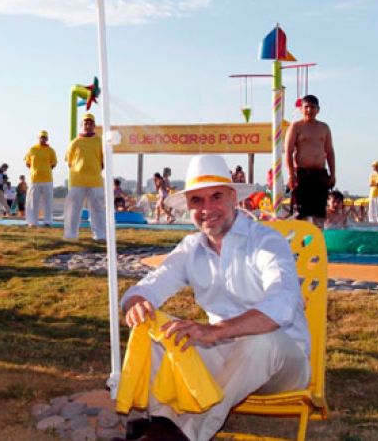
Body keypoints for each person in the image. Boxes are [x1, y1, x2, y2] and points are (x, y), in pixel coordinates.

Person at [120, 155, 310, 441]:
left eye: (216, 196)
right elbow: (147, 287)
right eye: (197, 201)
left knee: (261, 341)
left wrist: (215, 330)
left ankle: (182, 435)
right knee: (157, 330)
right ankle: (161, 421)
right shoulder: (191, 248)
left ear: (234, 198)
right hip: (223, 352)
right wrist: (136, 304)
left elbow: (281, 305)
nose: (207, 209)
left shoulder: (266, 241)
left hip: (284, 360)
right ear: (189, 208)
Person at [283, 94, 336, 229]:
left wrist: (333, 173)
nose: (309, 110)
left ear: (318, 109)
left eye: (312, 107)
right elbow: (288, 152)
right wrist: (291, 175)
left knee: (319, 213)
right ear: (301, 109)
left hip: (320, 174)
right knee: (302, 213)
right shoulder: (296, 126)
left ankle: (319, 243)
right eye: (306, 107)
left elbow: (329, 151)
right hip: (302, 174)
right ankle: (301, 246)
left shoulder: (324, 128)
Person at [64, 113, 106, 240]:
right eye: (85, 123)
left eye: (90, 123)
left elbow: (103, 162)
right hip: (77, 181)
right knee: (73, 209)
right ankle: (71, 235)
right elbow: (69, 162)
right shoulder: (74, 142)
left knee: (97, 209)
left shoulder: (100, 141)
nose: (88, 125)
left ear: (94, 126)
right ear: (82, 125)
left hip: (95, 181)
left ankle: (99, 235)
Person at [24, 130, 57, 227]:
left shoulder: (51, 150)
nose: (42, 139)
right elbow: (28, 163)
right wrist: (35, 171)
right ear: (38, 138)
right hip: (35, 180)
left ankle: (47, 221)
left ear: (47, 139)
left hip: (47, 180)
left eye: (44, 137)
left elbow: (53, 164)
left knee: (48, 202)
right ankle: (32, 222)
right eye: (41, 137)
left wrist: (45, 170)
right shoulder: (32, 149)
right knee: (33, 202)